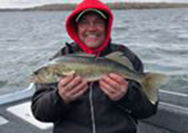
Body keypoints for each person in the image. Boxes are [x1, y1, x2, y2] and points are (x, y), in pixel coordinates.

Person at [31, 0, 158, 133]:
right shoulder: (60, 59)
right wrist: (60, 98)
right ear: (76, 27)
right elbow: (40, 112)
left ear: (106, 26)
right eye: (84, 22)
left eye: (98, 22)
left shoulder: (125, 56)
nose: (91, 28)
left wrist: (126, 96)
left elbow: (149, 109)